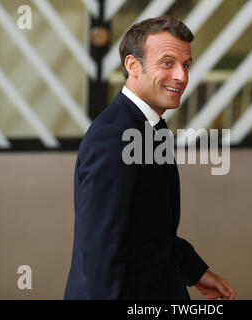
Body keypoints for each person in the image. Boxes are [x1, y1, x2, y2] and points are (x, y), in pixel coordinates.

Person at [64, 16, 235, 300]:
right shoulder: (114, 137)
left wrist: (194, 271)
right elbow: (103, 251)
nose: (181, 76)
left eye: (186, 65)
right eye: (167, 63)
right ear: (133, 66)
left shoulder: (148, 125)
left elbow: (148, 228)